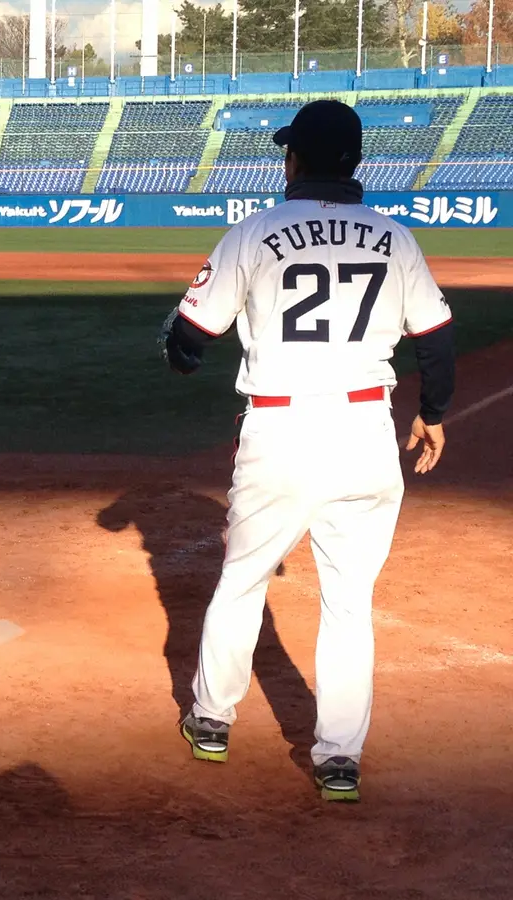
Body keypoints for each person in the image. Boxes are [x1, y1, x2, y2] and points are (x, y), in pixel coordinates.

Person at [157, 99, 455, 802]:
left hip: (281, 430)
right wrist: (432, 415)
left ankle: (211, 721)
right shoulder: (396, 238)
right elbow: (436, 343)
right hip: (366, 430)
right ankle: (339, 759)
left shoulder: (254, 232)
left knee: (243, 580)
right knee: (349, 602)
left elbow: (190, 341)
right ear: (356, 162)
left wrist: (177, 349)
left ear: (293, 162)